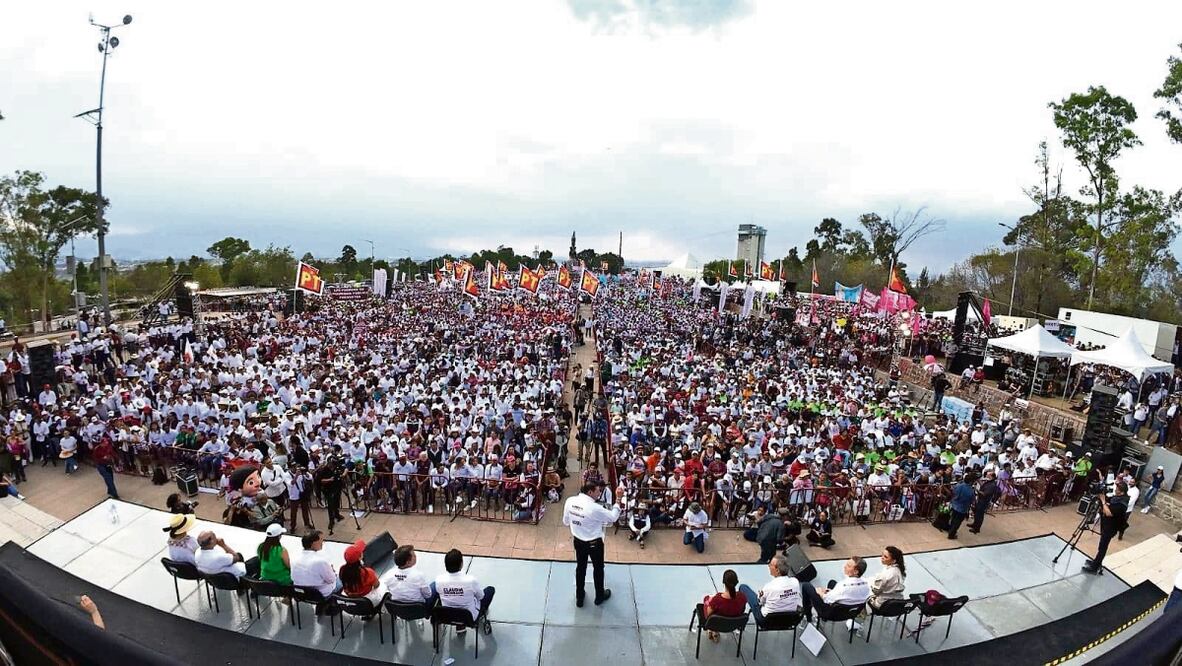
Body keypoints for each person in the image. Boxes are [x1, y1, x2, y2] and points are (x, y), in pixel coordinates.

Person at [562, 481, 620, 607]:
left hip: (578, 541)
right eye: (598, 491)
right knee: (598, 569)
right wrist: (618, 501)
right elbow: (613, 517)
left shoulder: (570, 501)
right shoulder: (594, 508)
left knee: (580, 568)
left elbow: (566, 522)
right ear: (590, 492)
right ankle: (599, 596)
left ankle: (579, 597)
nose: (600, 493)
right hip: (594, 544)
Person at [434, 548, 493, 634]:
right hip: (469, 617)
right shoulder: (470, 580)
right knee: (490, 590)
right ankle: (479, 616)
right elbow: (481, 596)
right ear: (461, 564)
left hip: (447, 617)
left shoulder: (439, 580)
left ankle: (460, 626)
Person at [801, 556, 870, 622]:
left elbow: (826, 599)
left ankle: (808, 617)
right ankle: (822, 618)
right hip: (852, 612)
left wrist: (819, 592)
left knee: (806, 586)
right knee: (832, 583)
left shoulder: (843, 586)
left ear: (856, 572)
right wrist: (831, 592)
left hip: (832, 614)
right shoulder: (867, 584)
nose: (844, 566)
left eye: (848, 566)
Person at [737, 553, 801, 625]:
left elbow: (760, 602)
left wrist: (760, 596)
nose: (768, 566)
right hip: (789, 621)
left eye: (771, 565)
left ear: (777, 570)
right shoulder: (795, 582)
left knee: (743, 587)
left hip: (767, 622)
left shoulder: (769, 587)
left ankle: (739, 619)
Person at [1083, 481, 1129, 574]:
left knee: (1103, 547)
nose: (1115, 490)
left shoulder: (1122, 504)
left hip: (1111, 527)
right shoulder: (1117, 498)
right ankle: (1096, 562)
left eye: (1117, 489)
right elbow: (1107, 507)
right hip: (1106, 524)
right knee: (1101, 546)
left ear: (1122, 492)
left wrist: (1103, 501)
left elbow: (1109, 513)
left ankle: (1095, 567)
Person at [291, 529, 341, 607]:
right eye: (321, 540)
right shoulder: (320, 561)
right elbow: (331, 579)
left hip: (301, 594)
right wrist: (332, 571)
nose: (322, 542)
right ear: (313, 543)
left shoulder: (294, 558)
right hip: (320, 595)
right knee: (341, 579)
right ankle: (333, 605)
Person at [194, 530, 259, 584]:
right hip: (234, 579)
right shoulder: (218, 557)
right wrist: (223, 545)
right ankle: (252, 584)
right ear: (211, 541)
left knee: (239, 554)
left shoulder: (197, 552)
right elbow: (236, 558)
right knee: (258, 559)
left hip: (216, 580)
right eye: (214, 536)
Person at [700, 569, 747, 643]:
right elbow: (742, 610)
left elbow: (708, 614)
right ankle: (713, 630)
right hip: (733, 625)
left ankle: (712, 629)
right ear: (736, 582)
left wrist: (710, 600)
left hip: (716, 624)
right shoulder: (742, 597)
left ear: (724, 582)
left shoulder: (717, 599)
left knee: (706, 599)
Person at [339, 539, 387, 607]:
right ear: (359, 557)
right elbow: (377, 585)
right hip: (367, 601)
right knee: (385, 586)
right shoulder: (368, 572)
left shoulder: (342, 570)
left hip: (350, 599)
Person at [969, 469, 1000, 534]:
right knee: (976, 513)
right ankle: (974, 524)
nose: (986, 476)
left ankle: (976, 528)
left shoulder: (992, 485)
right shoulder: (988, 482)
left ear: (992, 477)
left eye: (988, 475)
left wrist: (976, 490)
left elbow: (984, 494)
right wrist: (978, 480)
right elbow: (983, 486)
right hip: (980, 500)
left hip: (984, 502)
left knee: (979, 515)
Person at [946, 474, 976, 539]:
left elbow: (953, 493)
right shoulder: (970, 490)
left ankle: (950, 530)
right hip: (962, 509)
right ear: (971, 482)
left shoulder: (958, 486)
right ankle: (951, 534)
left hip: (955, 505)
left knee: (953, 519)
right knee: (957, 522)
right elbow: (972, 500)